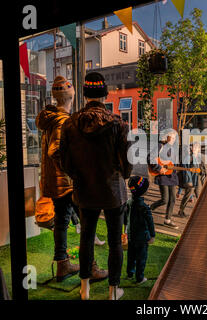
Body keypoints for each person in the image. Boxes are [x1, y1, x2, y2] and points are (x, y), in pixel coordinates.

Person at [60, 72, 132, 300]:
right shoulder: (119, 124)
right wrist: (123, 176)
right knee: (114, 242)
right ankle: (112, 292)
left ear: (84, 93)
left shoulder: (70, 124)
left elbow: (65, 162)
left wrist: (79, 176)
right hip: (113, 191)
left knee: (86, 238)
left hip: (84, 190)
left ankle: (85, 289)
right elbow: (127, 163)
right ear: (104, 93)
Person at [36, 76, 80, 282]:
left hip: (55, 181)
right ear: (70, 96)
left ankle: (63, 263)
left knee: (63, 222)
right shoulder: (63, 120)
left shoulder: (50, 118)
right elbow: (56, 150)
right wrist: (73, 171)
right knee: (82, 220)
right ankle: (87, 265)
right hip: (65, 182)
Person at [124, 176, 155, 284]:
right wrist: (152, 235)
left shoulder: (128, 202)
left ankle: (130, 273)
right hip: (142, 237)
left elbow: (125, 218)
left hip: (131, 235)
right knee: (141, 258)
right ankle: (140, 278)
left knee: (131, 256)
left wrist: (125, 230)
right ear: (144, 192)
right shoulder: (144, 207)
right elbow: (150, 222)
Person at [147, 130, 179, 229]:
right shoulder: (160, 146)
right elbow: (150, 158)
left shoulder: (173, 148)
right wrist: (159, 168)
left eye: (174, 138)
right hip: (163, 176)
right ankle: (149, 208)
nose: (173, 140)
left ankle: (167, 220)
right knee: (165, 200)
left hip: (171, 176)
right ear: (166, 137)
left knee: (172, 199)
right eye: (171, 137)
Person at [177, 142, 205, 218]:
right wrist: (188, 181)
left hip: (197, 180)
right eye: (193, 147)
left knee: (199, 196)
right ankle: (181, 211)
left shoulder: (198, 158)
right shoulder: (189, 158)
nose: (194, 149)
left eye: (196, 148)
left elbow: (201, 169)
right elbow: (186, 170)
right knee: (188, 196)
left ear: (199, 149)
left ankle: (200, 213)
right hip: (191, 181)